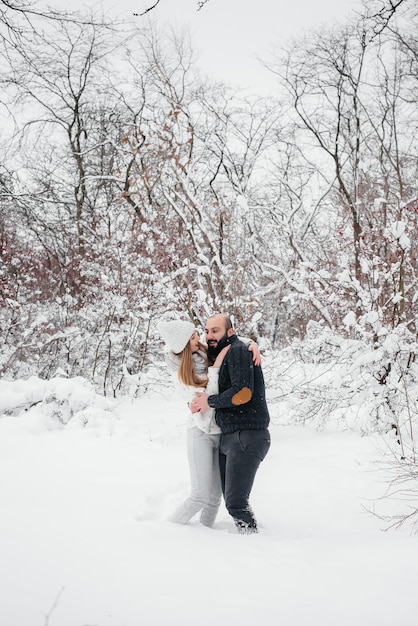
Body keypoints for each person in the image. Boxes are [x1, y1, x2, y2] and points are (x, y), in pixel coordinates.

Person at [157, 319, 260, 529]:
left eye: (197, 334)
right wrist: (216, 367)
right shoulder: (181, 373)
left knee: (214, 498)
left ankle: (206, 537)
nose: (199, 339)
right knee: (199, 496)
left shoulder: (204, 353)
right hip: (200, 433)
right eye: (193, 337)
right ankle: (167, 531)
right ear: (184, 344)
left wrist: (253, 345)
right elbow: (208, 398)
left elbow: (233, 341)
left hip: (221, 433)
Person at [191, 313, 270, 534]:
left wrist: (209, 401)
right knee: (234, 502)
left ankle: (255, 545)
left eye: (215, 330)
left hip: (246, 434)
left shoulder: (237, 351)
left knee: (236, 503)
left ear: (230, 332)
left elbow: (243, 393)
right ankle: (250, 537)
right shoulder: (223, 352)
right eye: (207, 331)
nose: (209, 335)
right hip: (231, 436)